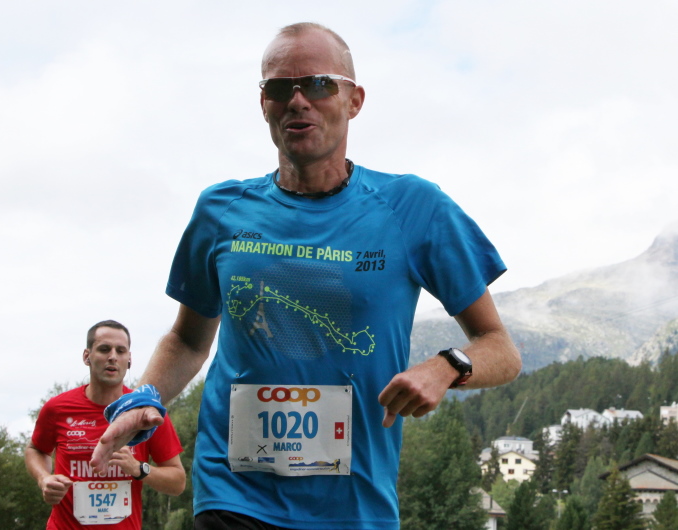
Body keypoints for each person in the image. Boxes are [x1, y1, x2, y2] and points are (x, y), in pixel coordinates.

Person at [91, 23, 522, 529]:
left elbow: (500, 349)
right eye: (279, 88)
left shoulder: (414, 208)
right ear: (264, 105)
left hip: (354, 506)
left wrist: (446, 366)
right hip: (233, 495)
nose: (298, 101)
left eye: (318, 84)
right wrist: (145, 397)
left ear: (354, 100)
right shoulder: (221, 210)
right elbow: (188, 340)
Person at [25, 320, 186, 529]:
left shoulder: (147, 414)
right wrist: (44, 478)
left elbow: (177, 482)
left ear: (129, 359)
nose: (112, 357)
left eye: (120, 351)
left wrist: (138, 468)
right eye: (104, 349)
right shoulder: (58, 408)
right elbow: (36, 449)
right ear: (87, 356)